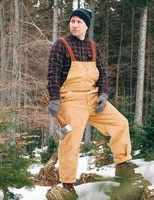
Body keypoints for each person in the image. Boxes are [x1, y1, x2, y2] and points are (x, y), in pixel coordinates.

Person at [47, 8, 132, 197]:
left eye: (78, 21)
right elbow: (52, 74)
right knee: (71, 139)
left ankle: (122, 165)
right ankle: (67, 183)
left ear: (86, 26)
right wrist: (54, 98)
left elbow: (102, 73)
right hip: (71, 99)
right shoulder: (60, 45)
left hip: (94, 98)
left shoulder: (94, 47)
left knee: (120, 123)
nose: (74, 25)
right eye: (72, 21)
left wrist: (103, 94)